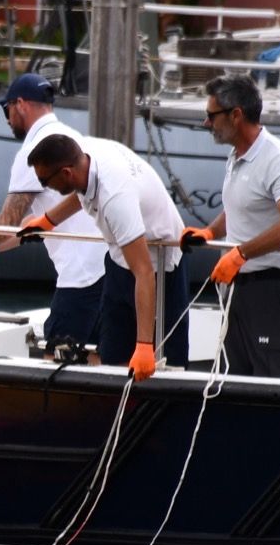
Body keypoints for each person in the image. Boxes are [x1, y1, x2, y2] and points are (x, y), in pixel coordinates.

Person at [0, 72, 105, 357]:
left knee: (55, 361)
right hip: (107, 272)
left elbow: (5, 223)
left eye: (6, 109)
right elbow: (31, 226)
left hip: (81, 279)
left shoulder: (36, 150)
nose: (7, 119)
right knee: (96, 359)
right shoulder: (72, 140)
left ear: (20, 104)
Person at [23, 131, 189, 381]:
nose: (44, 187)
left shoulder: (115, 197)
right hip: (118, 258)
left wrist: (144, 345)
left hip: (160, 263)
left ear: (66, 173)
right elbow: (83, 193)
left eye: (45, 181)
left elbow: (144, 272)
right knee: (113, 353)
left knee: (167, 360)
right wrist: (47, 221)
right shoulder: (85, 154)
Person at [182, 73, 280, 377]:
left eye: (211, 115)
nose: (206, 123)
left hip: (271, 288)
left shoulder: (277, 157)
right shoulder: (236, 155)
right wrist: (211, 232)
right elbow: (240, 207)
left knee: (275, 382)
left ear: (236, 115)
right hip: (238, 288)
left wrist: (240, 254)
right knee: (236, 378)